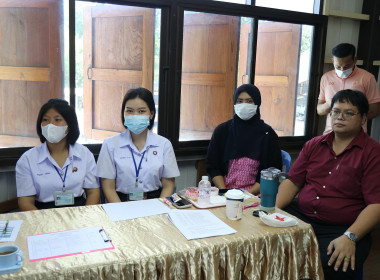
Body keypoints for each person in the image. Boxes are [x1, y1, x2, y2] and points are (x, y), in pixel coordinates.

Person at [276, 89, 380, 280]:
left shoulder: (373, 152)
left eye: (349, 113)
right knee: (263, 244)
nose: (340, 117)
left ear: (364, 118)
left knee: (330, 263)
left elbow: (376, 204)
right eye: (336, 111)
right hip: (302, 218)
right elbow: (292, 182)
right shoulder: (314, 145)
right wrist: (271, 210)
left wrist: (350, 236)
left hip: (342, 227)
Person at [96, 87, 180, 202]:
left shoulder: (164, 144)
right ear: (123, 113)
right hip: (120, 203)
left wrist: (160, 209)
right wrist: (121, 213)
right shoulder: (110, 144)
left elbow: (168, 185)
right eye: (129, 111)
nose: (135, 115)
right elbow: (108, 187)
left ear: (151, 114)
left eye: (141, 111)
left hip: (156, 202)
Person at [16, 99, 100, 210]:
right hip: (42, 213)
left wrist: (86, 218)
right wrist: (44, 224)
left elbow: (93, 192)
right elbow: (25, 202)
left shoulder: (84, 154)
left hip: (79, 211)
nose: (51, 125)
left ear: (69, 125)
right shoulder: (27, 159)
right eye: (45, 120)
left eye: (57, 119)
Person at [206, 84, 282, 195]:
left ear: (257, 103)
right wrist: (225, 192)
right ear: (234, 103)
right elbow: (213, 166)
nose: (244, 105)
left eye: (249, 101)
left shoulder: (268, 134)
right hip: (223, 192)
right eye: (240, 101)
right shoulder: (222, 131)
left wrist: (247, 196)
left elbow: (271, 171)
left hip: (255, 195)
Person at [317, 43, 380, 134]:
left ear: (355, 60)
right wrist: (330, 103)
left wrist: (352, 120)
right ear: (332, 60)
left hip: (356, 135)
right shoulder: (326, 78)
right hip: (330, 133)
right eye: (338, 66)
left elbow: (374, 111)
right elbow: (319, 110)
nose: (342, 70)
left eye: (346, 67)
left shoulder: (367, 78)